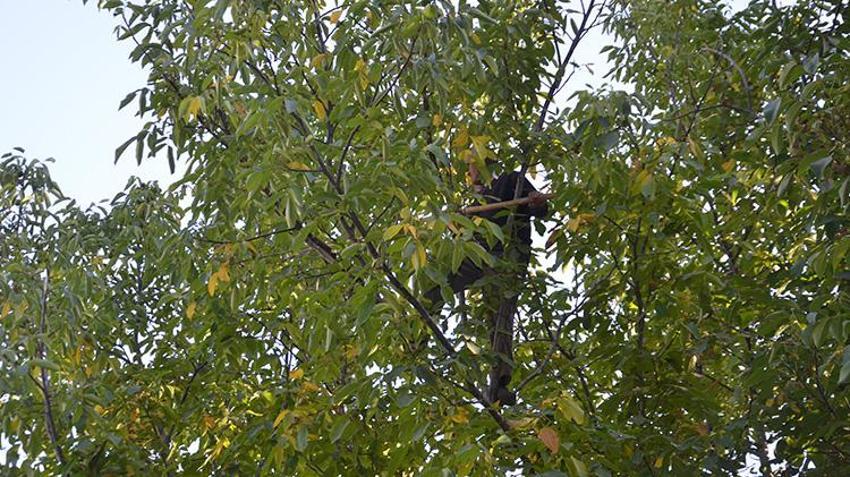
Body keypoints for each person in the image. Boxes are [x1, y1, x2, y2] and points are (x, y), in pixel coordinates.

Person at [424, 162, 549, 405]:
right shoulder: (471, 202)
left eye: (470, 168)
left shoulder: (510, 181)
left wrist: (537, 201)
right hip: (477, 255)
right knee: (437, 286)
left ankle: (500, 383)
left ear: (483, 165)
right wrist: (457, 220)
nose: (468, 174)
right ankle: (415, 339)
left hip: (507, 256)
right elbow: (457, 235)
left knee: (500, 315)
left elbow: (540, 209)